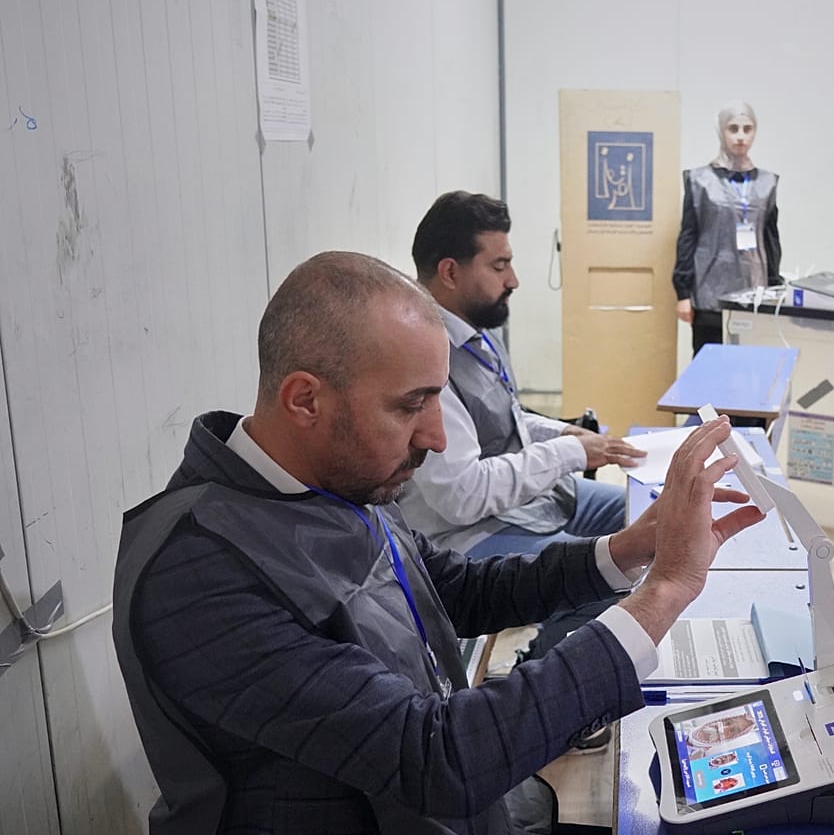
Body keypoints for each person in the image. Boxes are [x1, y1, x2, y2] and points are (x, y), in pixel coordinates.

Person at [112, 251, 765, 834]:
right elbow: (436, 760)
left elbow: (448, 590)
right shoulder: (198, 575)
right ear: (304, 400)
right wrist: (668, 589)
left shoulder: (338, 480)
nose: (437, 437)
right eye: (409, 406)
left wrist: (628, 549)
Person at [399, 191, 645, 560]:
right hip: (469, 533)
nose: (513, 280)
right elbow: (462, 498)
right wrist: (570, 452)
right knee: (600, 579)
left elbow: (498, 417)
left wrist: (561, 432)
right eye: (499, 267)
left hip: (522, 503)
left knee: (648, 516)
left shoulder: (476, 333)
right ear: (450, 272)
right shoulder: (422, 360)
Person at [673, 100, 783, 354]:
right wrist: (682, 292)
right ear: (721, 131)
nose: (741, 137)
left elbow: (771, 240)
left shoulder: (767, 183)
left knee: (749, 368)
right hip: (709, 294)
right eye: (733, 129)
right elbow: (688, 237)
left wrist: (775, 287)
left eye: (748, 129)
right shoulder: (699, 181)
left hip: (754, 294)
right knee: (708, 366)